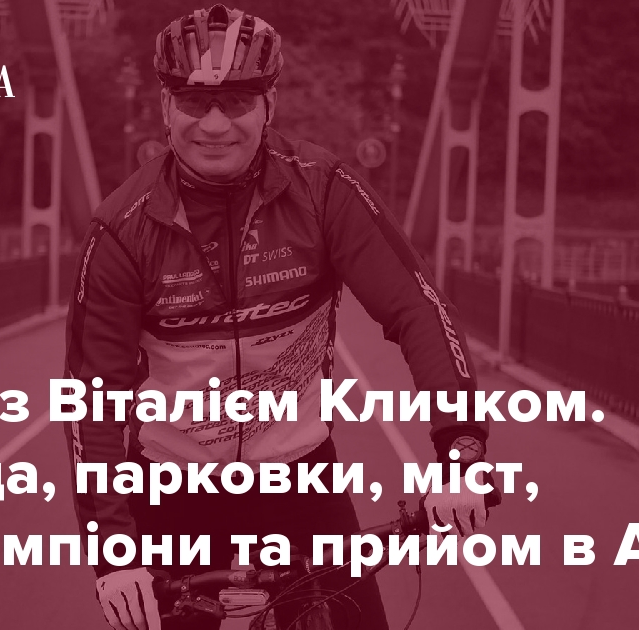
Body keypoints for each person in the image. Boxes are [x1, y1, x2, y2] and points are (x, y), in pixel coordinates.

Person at [64, 5, 489, 629]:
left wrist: (461, 448)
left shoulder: (322, 189)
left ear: (269, 105)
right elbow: (92, 398)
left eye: (237, 102)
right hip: (173, 493)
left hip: (300, 486)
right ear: (164, 106)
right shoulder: (122, 230)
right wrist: (112, 551)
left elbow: (418, 308)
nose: (215, 124)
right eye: (194, 102)